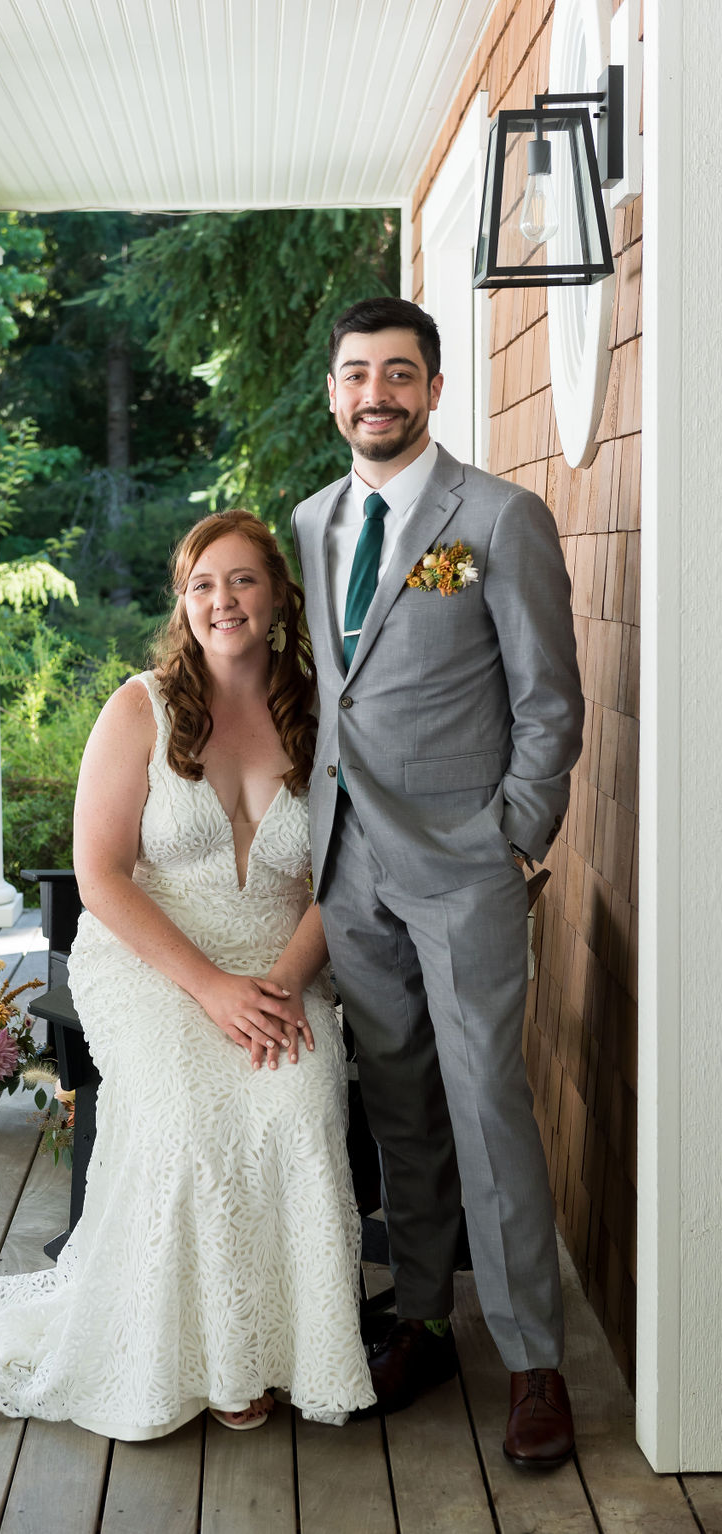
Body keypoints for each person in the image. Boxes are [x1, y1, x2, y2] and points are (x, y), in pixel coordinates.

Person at [0, 509, 376, 1438]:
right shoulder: (142, 708)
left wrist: (280, 980)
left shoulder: (325, 712)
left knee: (298, 1096)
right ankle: (209, 1363)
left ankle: (285, 1349)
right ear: (182, 602)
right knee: (188, 1110)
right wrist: (209, 987)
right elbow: (101, 879)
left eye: (242, 580)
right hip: (151, 957)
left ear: (280, 594)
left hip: (279, 963)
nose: (222, 601)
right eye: (201, 584)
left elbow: (347, 872)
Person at [291, 297, 584, 1468]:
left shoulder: (500, 520)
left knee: (486, 1106)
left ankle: (534, 1362)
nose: (377, 393)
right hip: (347, 863)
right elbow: (337, 692)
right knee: (397, 1100)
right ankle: (420, 1317)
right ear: (333, 392)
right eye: (357, 373)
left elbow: (548, 700)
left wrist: (511, 838)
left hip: (463, 867)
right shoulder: (313, 520)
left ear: (434, 387)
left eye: (399, 374)